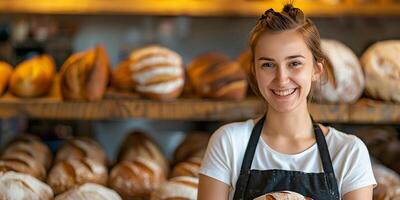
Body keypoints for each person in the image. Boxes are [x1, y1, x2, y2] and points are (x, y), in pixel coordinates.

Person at [198, 4, 376, 200]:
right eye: (268, 65)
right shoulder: (229, 142)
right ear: (255, 72)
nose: (281, 79)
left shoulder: (347, 152)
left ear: (316, 70)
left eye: (294, 63)